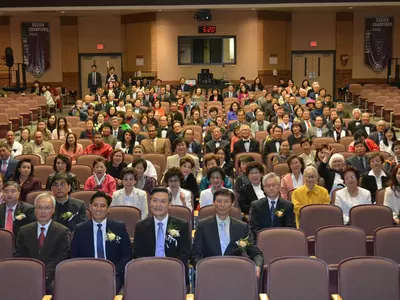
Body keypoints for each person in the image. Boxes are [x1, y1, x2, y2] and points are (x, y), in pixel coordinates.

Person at [191, 188, 264, 278]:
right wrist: (202, 268)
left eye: (226, 201)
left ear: (232, 204)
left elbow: (256, 253)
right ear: (213, 203)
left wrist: (257, 267)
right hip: (210, 272)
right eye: (219, 201)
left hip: (235, 273)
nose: (222, 205)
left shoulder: (242, 227)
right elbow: (195, 254)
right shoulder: (203, 225)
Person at [70, 191, 131, 293]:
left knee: (107, 290)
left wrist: (114, 270)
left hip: (112, 273)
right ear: (90, 207)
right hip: (87, 273)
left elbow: (127, 255)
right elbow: (74, 255)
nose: (98, 209)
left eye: (102, 206)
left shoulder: (118, 228)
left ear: (108, 209)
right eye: (95, 205)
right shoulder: (80, 229)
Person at [133, 186, 190, 284]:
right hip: (148, 273)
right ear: (150, 203)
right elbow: (137, 254)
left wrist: (167, 268)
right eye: (154, 201)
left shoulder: (182, 225)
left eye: (163, 201)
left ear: (169, 205)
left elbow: (184, 254)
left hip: (173, 273)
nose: (158, 205)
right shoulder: (141, 226)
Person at [15, 192, 69, 294]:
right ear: (35, 210)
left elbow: (62, 257)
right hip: (28, 275)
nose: (43, 212)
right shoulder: (24, 231)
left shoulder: (62, 231)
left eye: (47, 208)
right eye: (39, 208)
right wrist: (32, 273)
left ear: (53, 210)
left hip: (52, 277)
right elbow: (19, 255)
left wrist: (44, 274)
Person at [249, 173, 296, 240]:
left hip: (282, 241)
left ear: (279, 187)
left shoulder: (288, 206)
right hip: (262, 242)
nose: (271, 188)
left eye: (273, 185)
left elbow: (290, 228)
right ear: (264, 188)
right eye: (267, 186)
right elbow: (253, 228)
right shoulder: (256, 206)